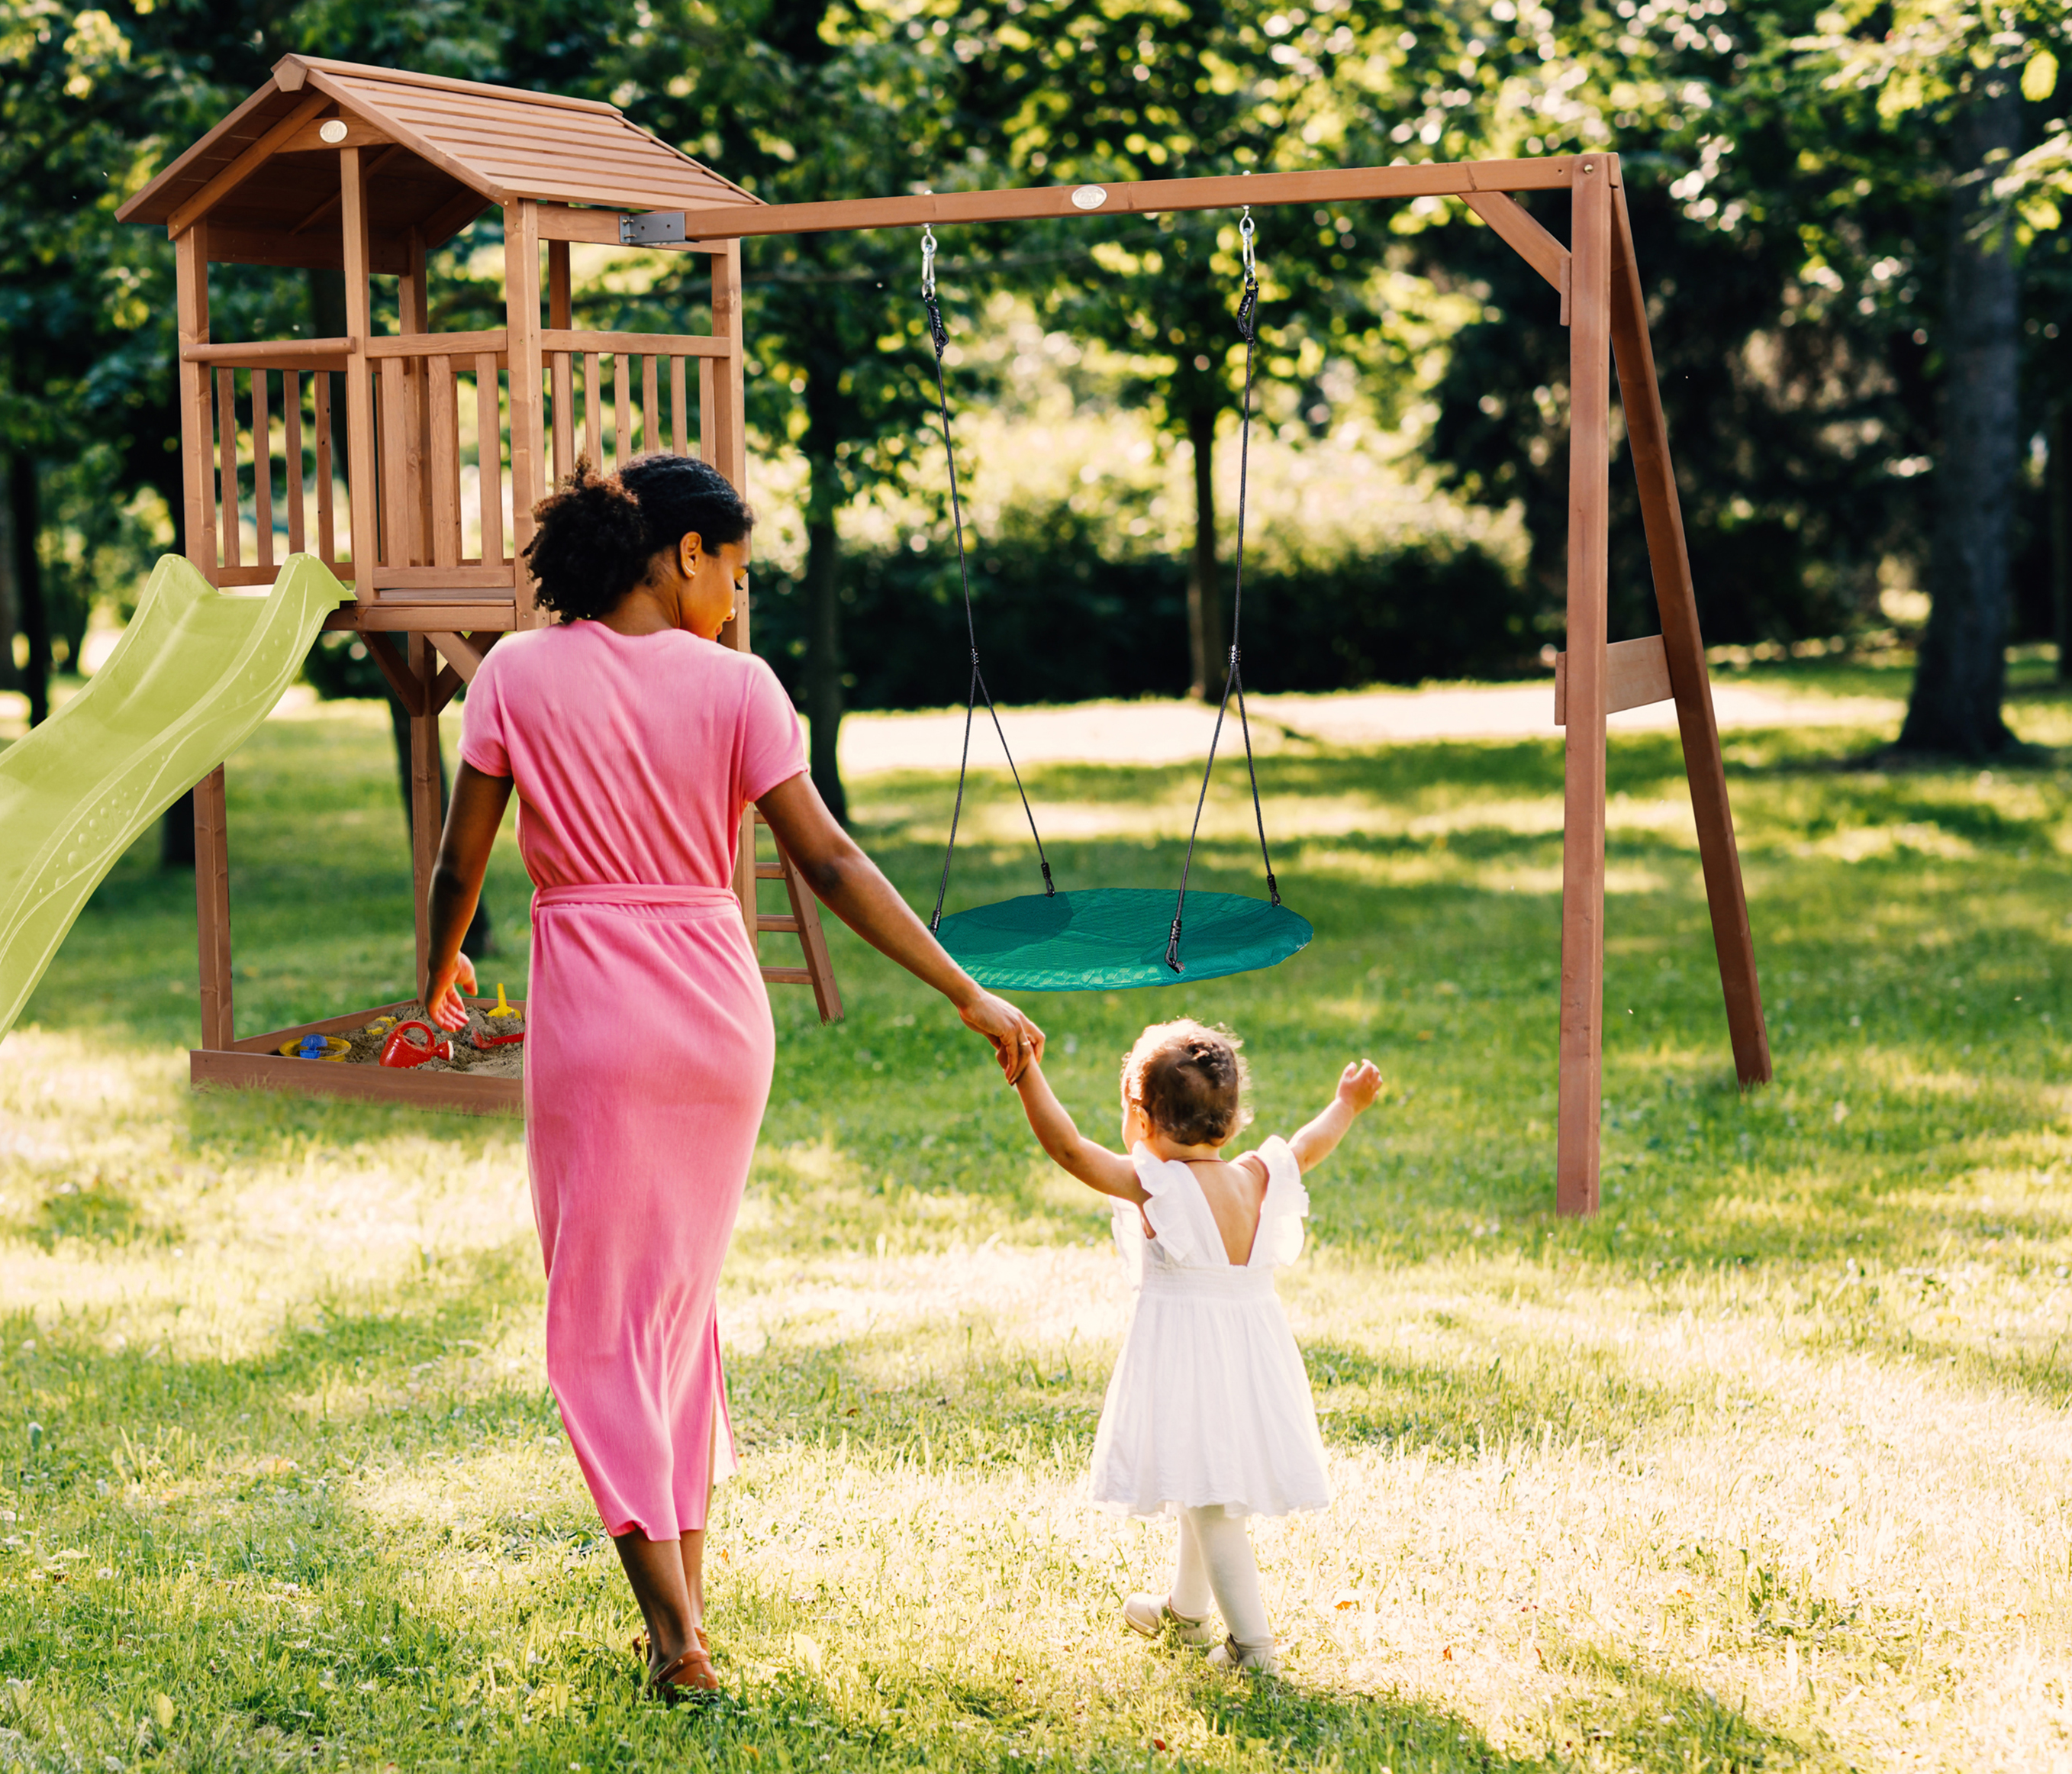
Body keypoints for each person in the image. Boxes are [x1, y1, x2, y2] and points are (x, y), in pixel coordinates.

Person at [422, 454, 1044, 1701]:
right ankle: (686, 1615)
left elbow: (460, 864)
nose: (739, 603)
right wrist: (963, 986)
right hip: (717, 1019)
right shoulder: (742, 690)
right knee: (673, 1316)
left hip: (596, 1019)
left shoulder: (515, 675)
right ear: (684, 553)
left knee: (602, 1327)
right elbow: (828, 862)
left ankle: (673, 1639)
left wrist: (434, 978)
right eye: (737, 573)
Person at [1009, 1020, 1384, 1674]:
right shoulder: (1258, 1176)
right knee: (1198, 1480)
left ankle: (1253, 1648)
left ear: (1141, 1118)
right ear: (1232, 1121)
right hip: (1250, 1359)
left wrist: (1026, 1073)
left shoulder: (1157, 1187)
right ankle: (1186, 1613)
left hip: (1190, 1361)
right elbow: (1309, 1143)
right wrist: (1346, 1104)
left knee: (1212, 1505)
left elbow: (1068, 1149)